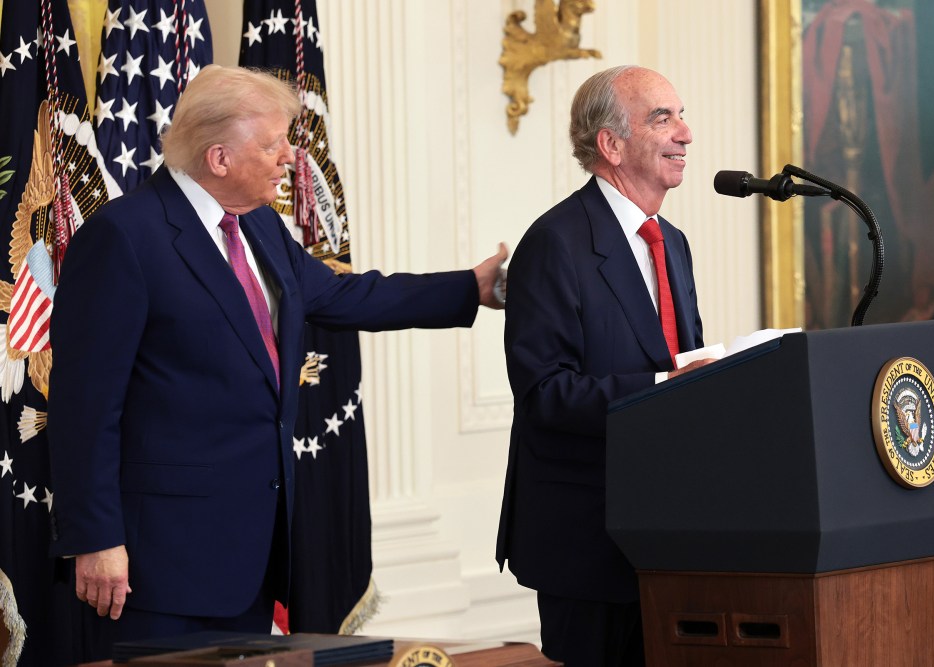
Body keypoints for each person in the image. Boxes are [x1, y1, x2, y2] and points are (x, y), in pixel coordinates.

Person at [46, 65, 507, 643]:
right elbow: (84, 407)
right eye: (273, 144)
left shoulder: (259, 225)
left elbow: (341, 293)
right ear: (220, 158)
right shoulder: (125, 237)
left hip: (251, 552)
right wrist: (95, 537)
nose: (291, 156)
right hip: (155, 563)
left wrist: (472, 287)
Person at [496, 65, 712, 666]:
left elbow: (679, 360)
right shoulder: (555, 242)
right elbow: (545, 392)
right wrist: (663, 389)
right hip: (587, 540)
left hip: (670, 530)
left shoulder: (672, 242)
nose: (685, 133)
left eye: (681, 114)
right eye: (662, 118)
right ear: (611, 145)